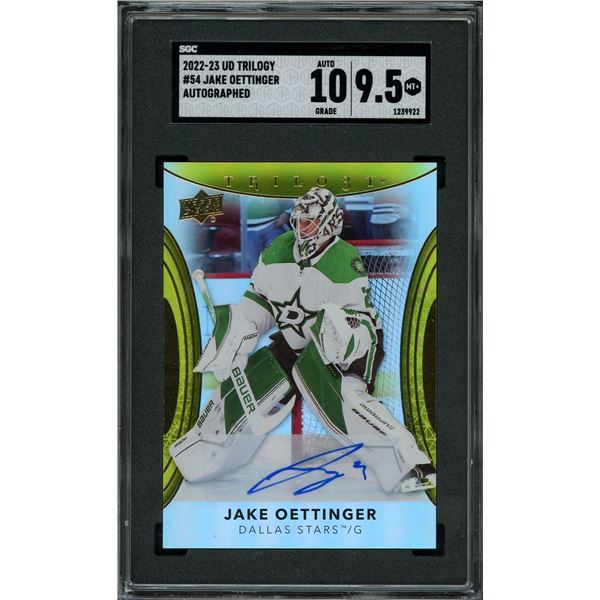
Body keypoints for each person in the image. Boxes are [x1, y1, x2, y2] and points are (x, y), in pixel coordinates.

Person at [170, 188, 435, 494]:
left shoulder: (344, 260)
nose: (301, 228)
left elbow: (356, 321)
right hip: (297, 340)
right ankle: (199, 454)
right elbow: (260, 302)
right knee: (245, 386)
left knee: (345, 397)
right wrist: (236, 334)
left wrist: (341, 339)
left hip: (349, 342)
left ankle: (408, 463)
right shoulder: (277, 250)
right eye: (299, 220)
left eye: (310, 221)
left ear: (329, 222)